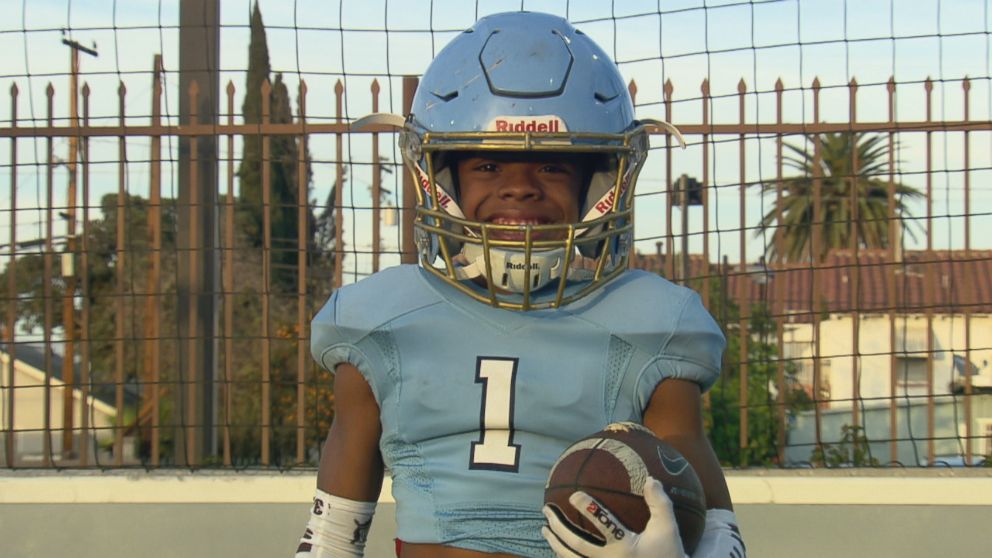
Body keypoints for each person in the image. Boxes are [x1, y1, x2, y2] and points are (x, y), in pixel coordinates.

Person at [294, 11, 746, 558]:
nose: (520, 190)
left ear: (599, 181)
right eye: (487, 165)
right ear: (441, 176)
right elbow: (333, 536)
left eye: (553, 168)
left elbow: (714, 526)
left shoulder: (652, 322)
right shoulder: (380, 320)